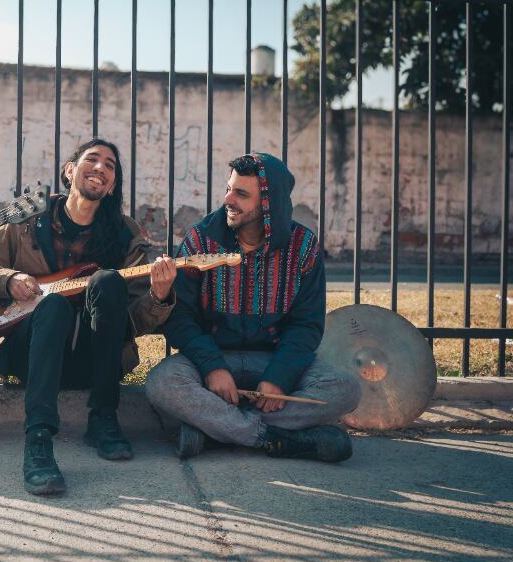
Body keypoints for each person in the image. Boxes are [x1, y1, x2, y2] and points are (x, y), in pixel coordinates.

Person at [0, 138, 177, 495]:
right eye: (93, 159)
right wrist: (9, 280)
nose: (101, 168)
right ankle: (38, 442)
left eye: (110, 166)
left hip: (96, 360)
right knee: (51, 306)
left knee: (107, 281)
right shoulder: (26, 220)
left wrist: (160, 296)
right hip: (31, 356)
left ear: (112, 184)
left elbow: (137, 321)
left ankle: (103, 418)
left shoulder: (126, 233)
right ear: (70, 171)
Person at [146, 153, 361, 463]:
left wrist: (280, 378)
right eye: (229, 188)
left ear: (268, 205)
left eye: (241, 194)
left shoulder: (303, 246)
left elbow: (306, 324)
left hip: (273, 359)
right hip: (214, 358)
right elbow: (181, 316)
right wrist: (213, 368)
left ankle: (214, 431)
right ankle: (278, 439)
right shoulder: (200, 240)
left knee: (345, 389)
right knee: (162, 383)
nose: (228, 199)